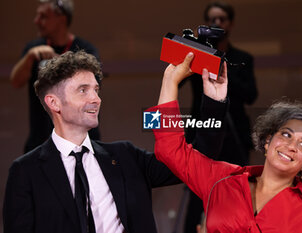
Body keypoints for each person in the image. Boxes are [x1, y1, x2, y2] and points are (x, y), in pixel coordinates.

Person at [3, 51, 227, 233]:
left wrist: (214, 103)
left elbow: (194, 160)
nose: (96, 99)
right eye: (83, 90)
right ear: (54, 103)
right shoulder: (25, 171)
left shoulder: (126, 156)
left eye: (96, 90)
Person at [148, 52, 302, 232]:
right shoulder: (221, 180)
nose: (291, 146)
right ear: (268, 140)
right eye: (286, 134)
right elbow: (168, 149)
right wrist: (170, 81)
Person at [182, 2, 258, 231]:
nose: (217, 24)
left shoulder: (243, 57)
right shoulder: (198, 54)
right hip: (204, 132)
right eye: (212, 20)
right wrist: (196, 52)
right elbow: (179, 78)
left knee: (237, 190)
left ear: (230, 23)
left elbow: (251, 95)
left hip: (234, 134)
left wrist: (223, 68)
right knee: (198, 192)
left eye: (222, 19)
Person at [10, 0, 100, 152]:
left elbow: (91, 89)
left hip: (81, 141)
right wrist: (29, 57)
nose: (36, 21)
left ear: (61, 19)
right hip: (41, 139)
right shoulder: (34, 48)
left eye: (43, 16)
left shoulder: (85, 49)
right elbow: (16, 82)